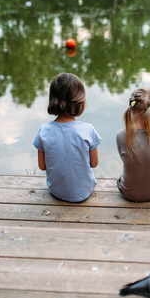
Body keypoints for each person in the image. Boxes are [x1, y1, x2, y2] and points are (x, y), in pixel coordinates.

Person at [33, 73, 102, 202]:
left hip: (56, 192)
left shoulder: (44, 131)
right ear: (79, 102)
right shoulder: (88, 130)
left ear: (52, 100)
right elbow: (94, 163)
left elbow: (42, 166)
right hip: (84, 192)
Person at [116, 87, 150, 201]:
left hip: (128, 193)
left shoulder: (121, 135)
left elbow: (126, 160)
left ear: (131, 109)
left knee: (122, 177)